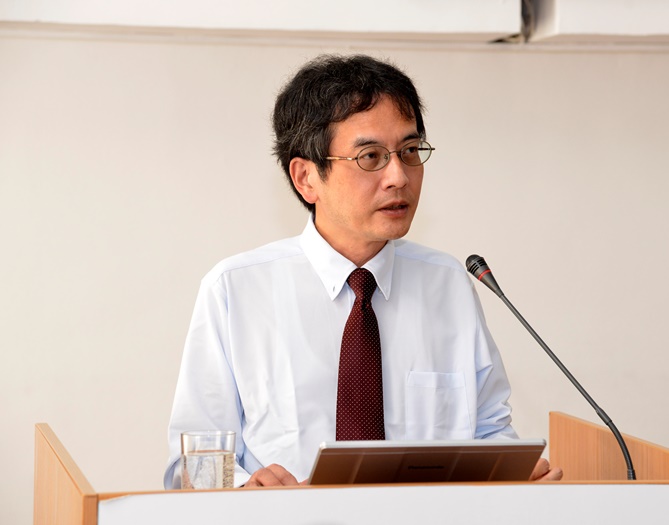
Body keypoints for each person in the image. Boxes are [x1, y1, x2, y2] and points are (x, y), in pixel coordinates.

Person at [164, 54, 561, 488]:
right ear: (306, 177)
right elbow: (191, 465)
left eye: (409, 152)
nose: (399, 177)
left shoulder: (448, 284)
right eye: (370, 156)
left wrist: (514, 476)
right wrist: (245, 491)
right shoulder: (236, 291)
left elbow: (489, 433)